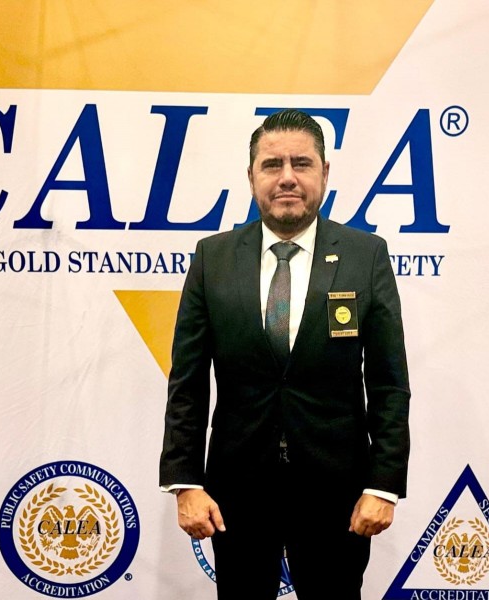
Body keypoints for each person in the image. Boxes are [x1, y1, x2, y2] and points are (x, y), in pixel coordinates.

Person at [159, 109, 410, 599]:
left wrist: (383, 485)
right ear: (251, 176)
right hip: (237, 493)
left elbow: (388, 383)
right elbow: (187, 381)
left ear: (325, 173)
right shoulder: (212, 258)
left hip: (338, 493)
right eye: (272, 165)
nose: (288, 177)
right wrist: (185, 481)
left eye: (302, 163)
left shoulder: (366, 255)